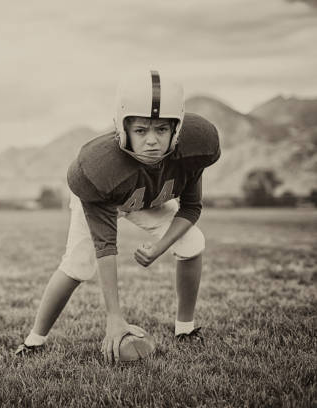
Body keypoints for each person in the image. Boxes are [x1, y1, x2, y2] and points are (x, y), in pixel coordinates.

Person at [15, 70, 221, 364]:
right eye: (141, 131)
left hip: (147, 198)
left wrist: (159, 247)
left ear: (177, 129)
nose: (152, 141)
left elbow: (191, 208)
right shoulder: (99, 169)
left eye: (162, 130)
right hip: (109, 198)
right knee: (77, 265)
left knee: (192, 243)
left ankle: (185, 330)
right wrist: (115, 317)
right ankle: (34, 341)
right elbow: (105, 244)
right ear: (122, 128)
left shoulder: (194, 147)